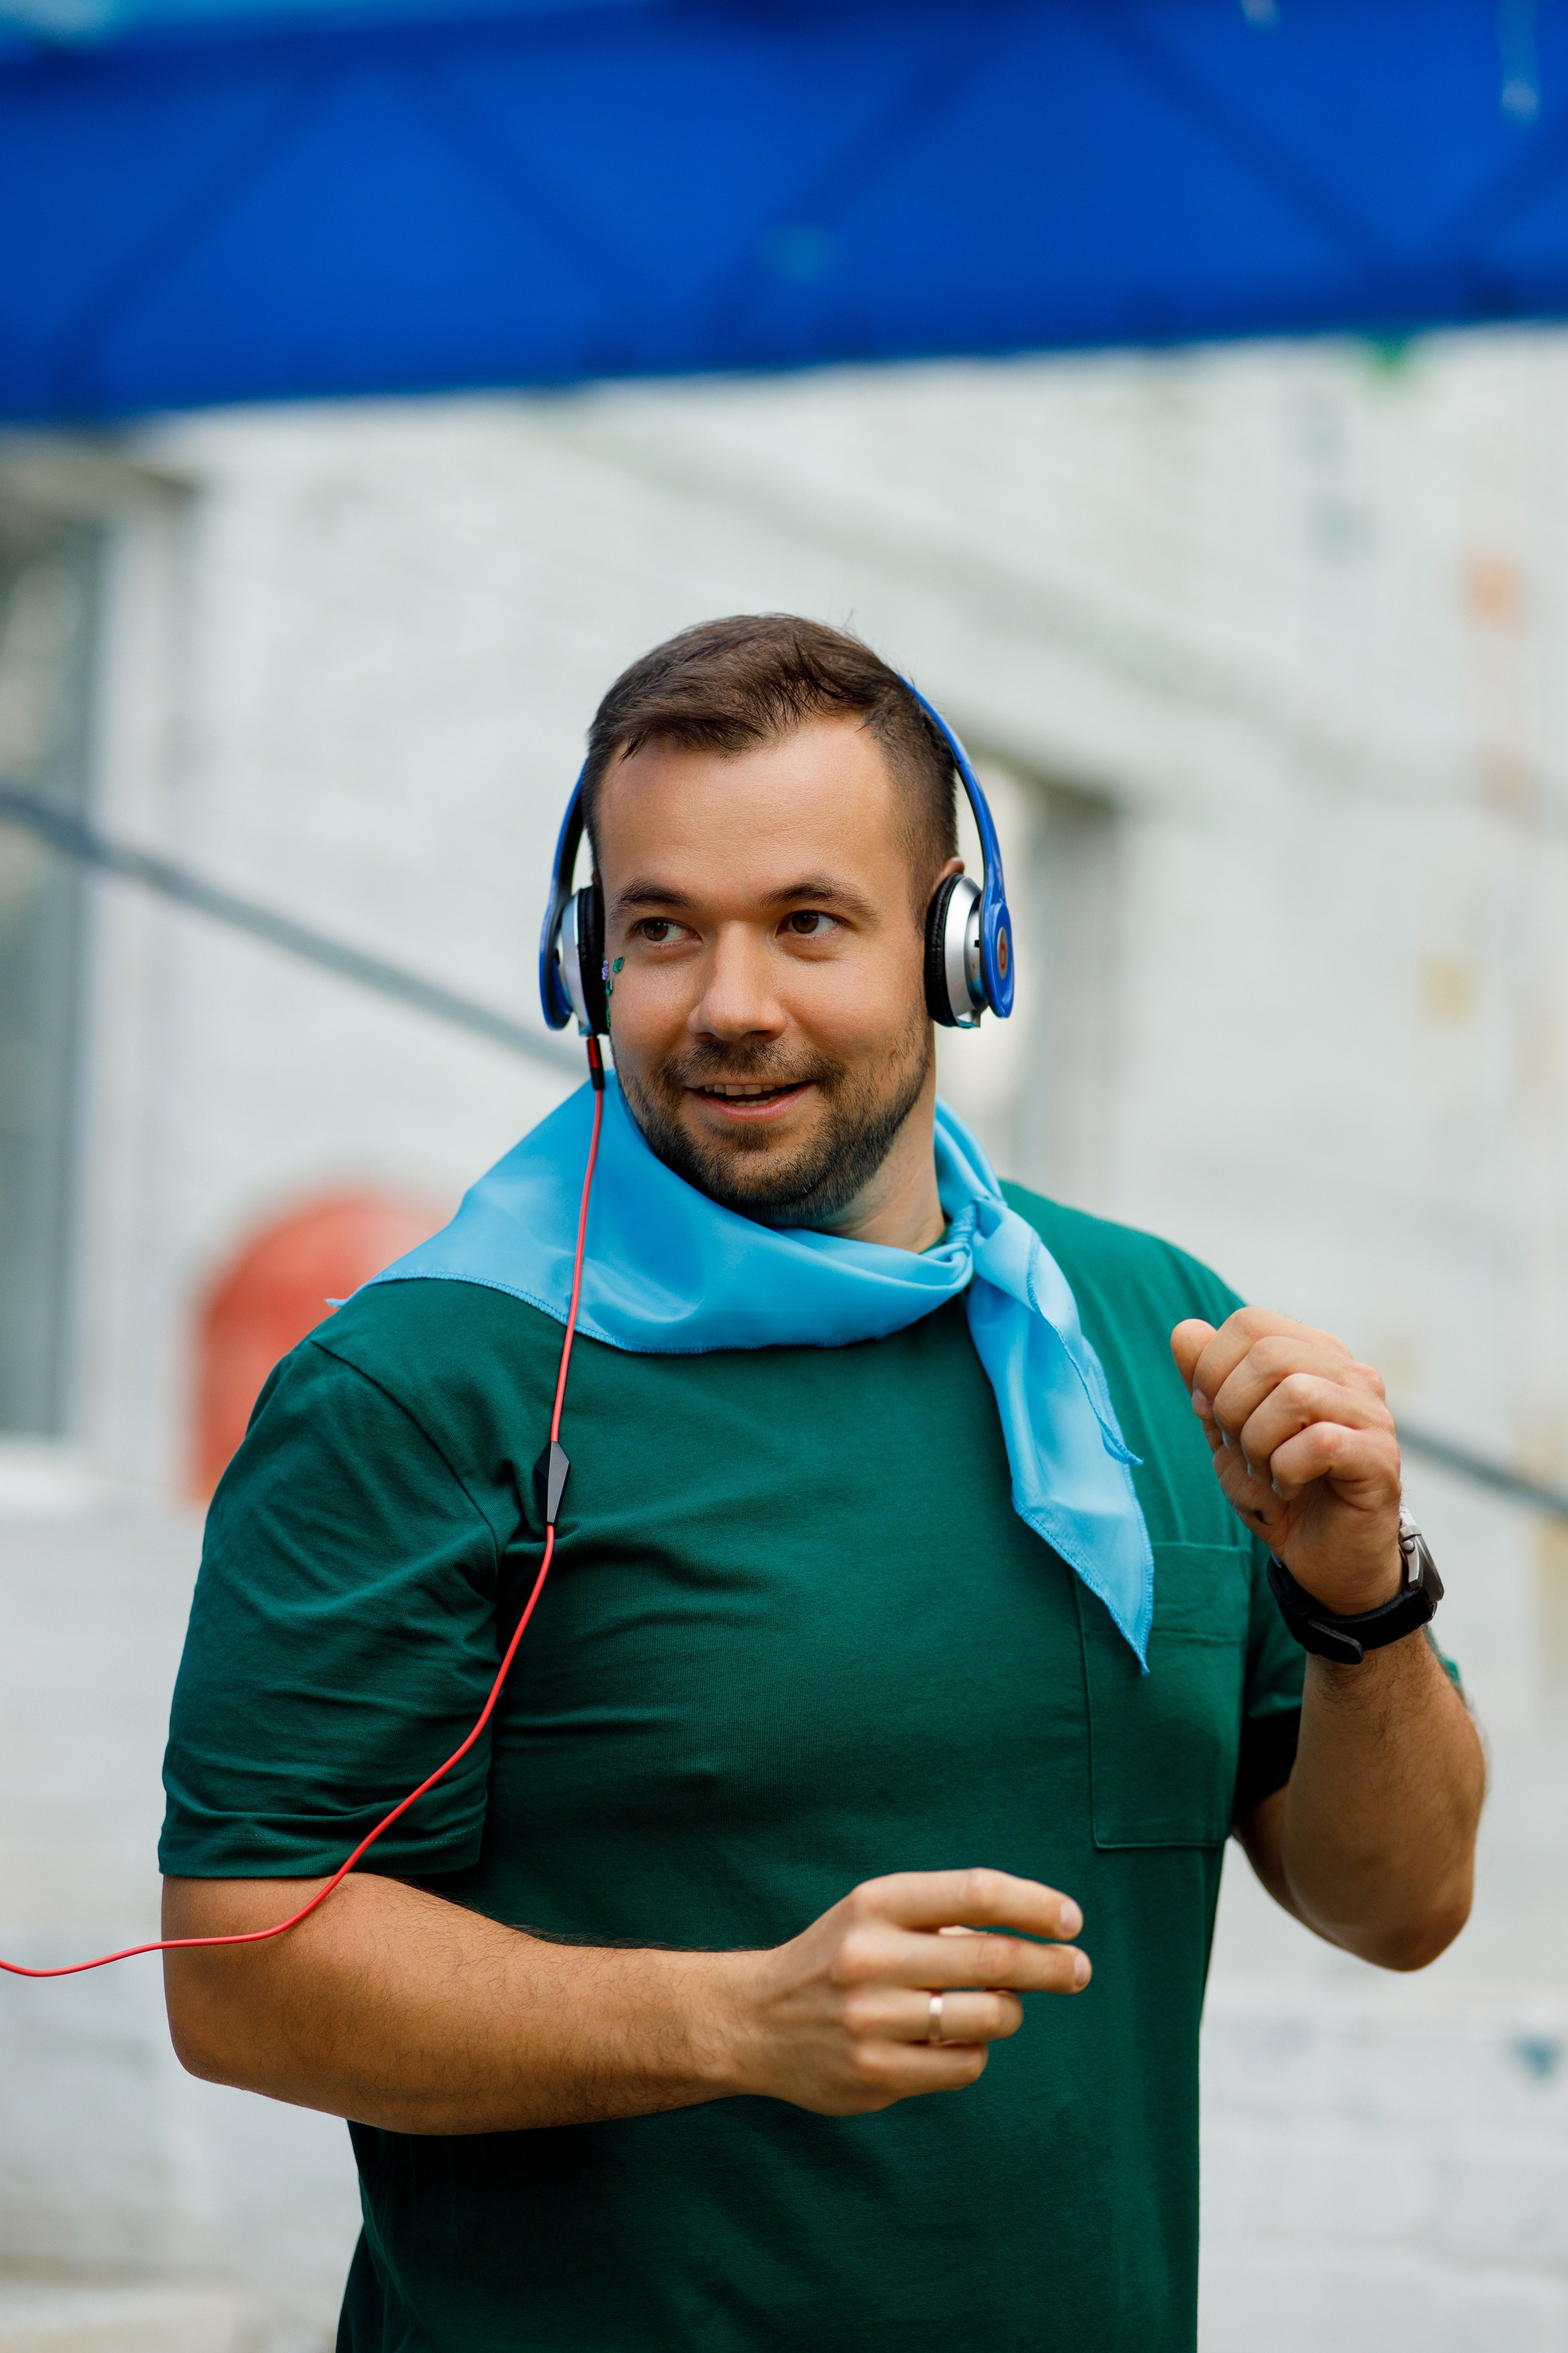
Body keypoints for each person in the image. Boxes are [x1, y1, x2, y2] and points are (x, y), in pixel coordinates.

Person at [159, 616, 1485, 2353]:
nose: (729, 1005)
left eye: (807, 922)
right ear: (586, 959)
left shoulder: (1155, 1330)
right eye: (661, 930)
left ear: (956, 942)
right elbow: (240, 1963)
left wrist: (1359, 1599)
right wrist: (736, 2020)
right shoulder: (428, 1383)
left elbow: (1398, 1906)